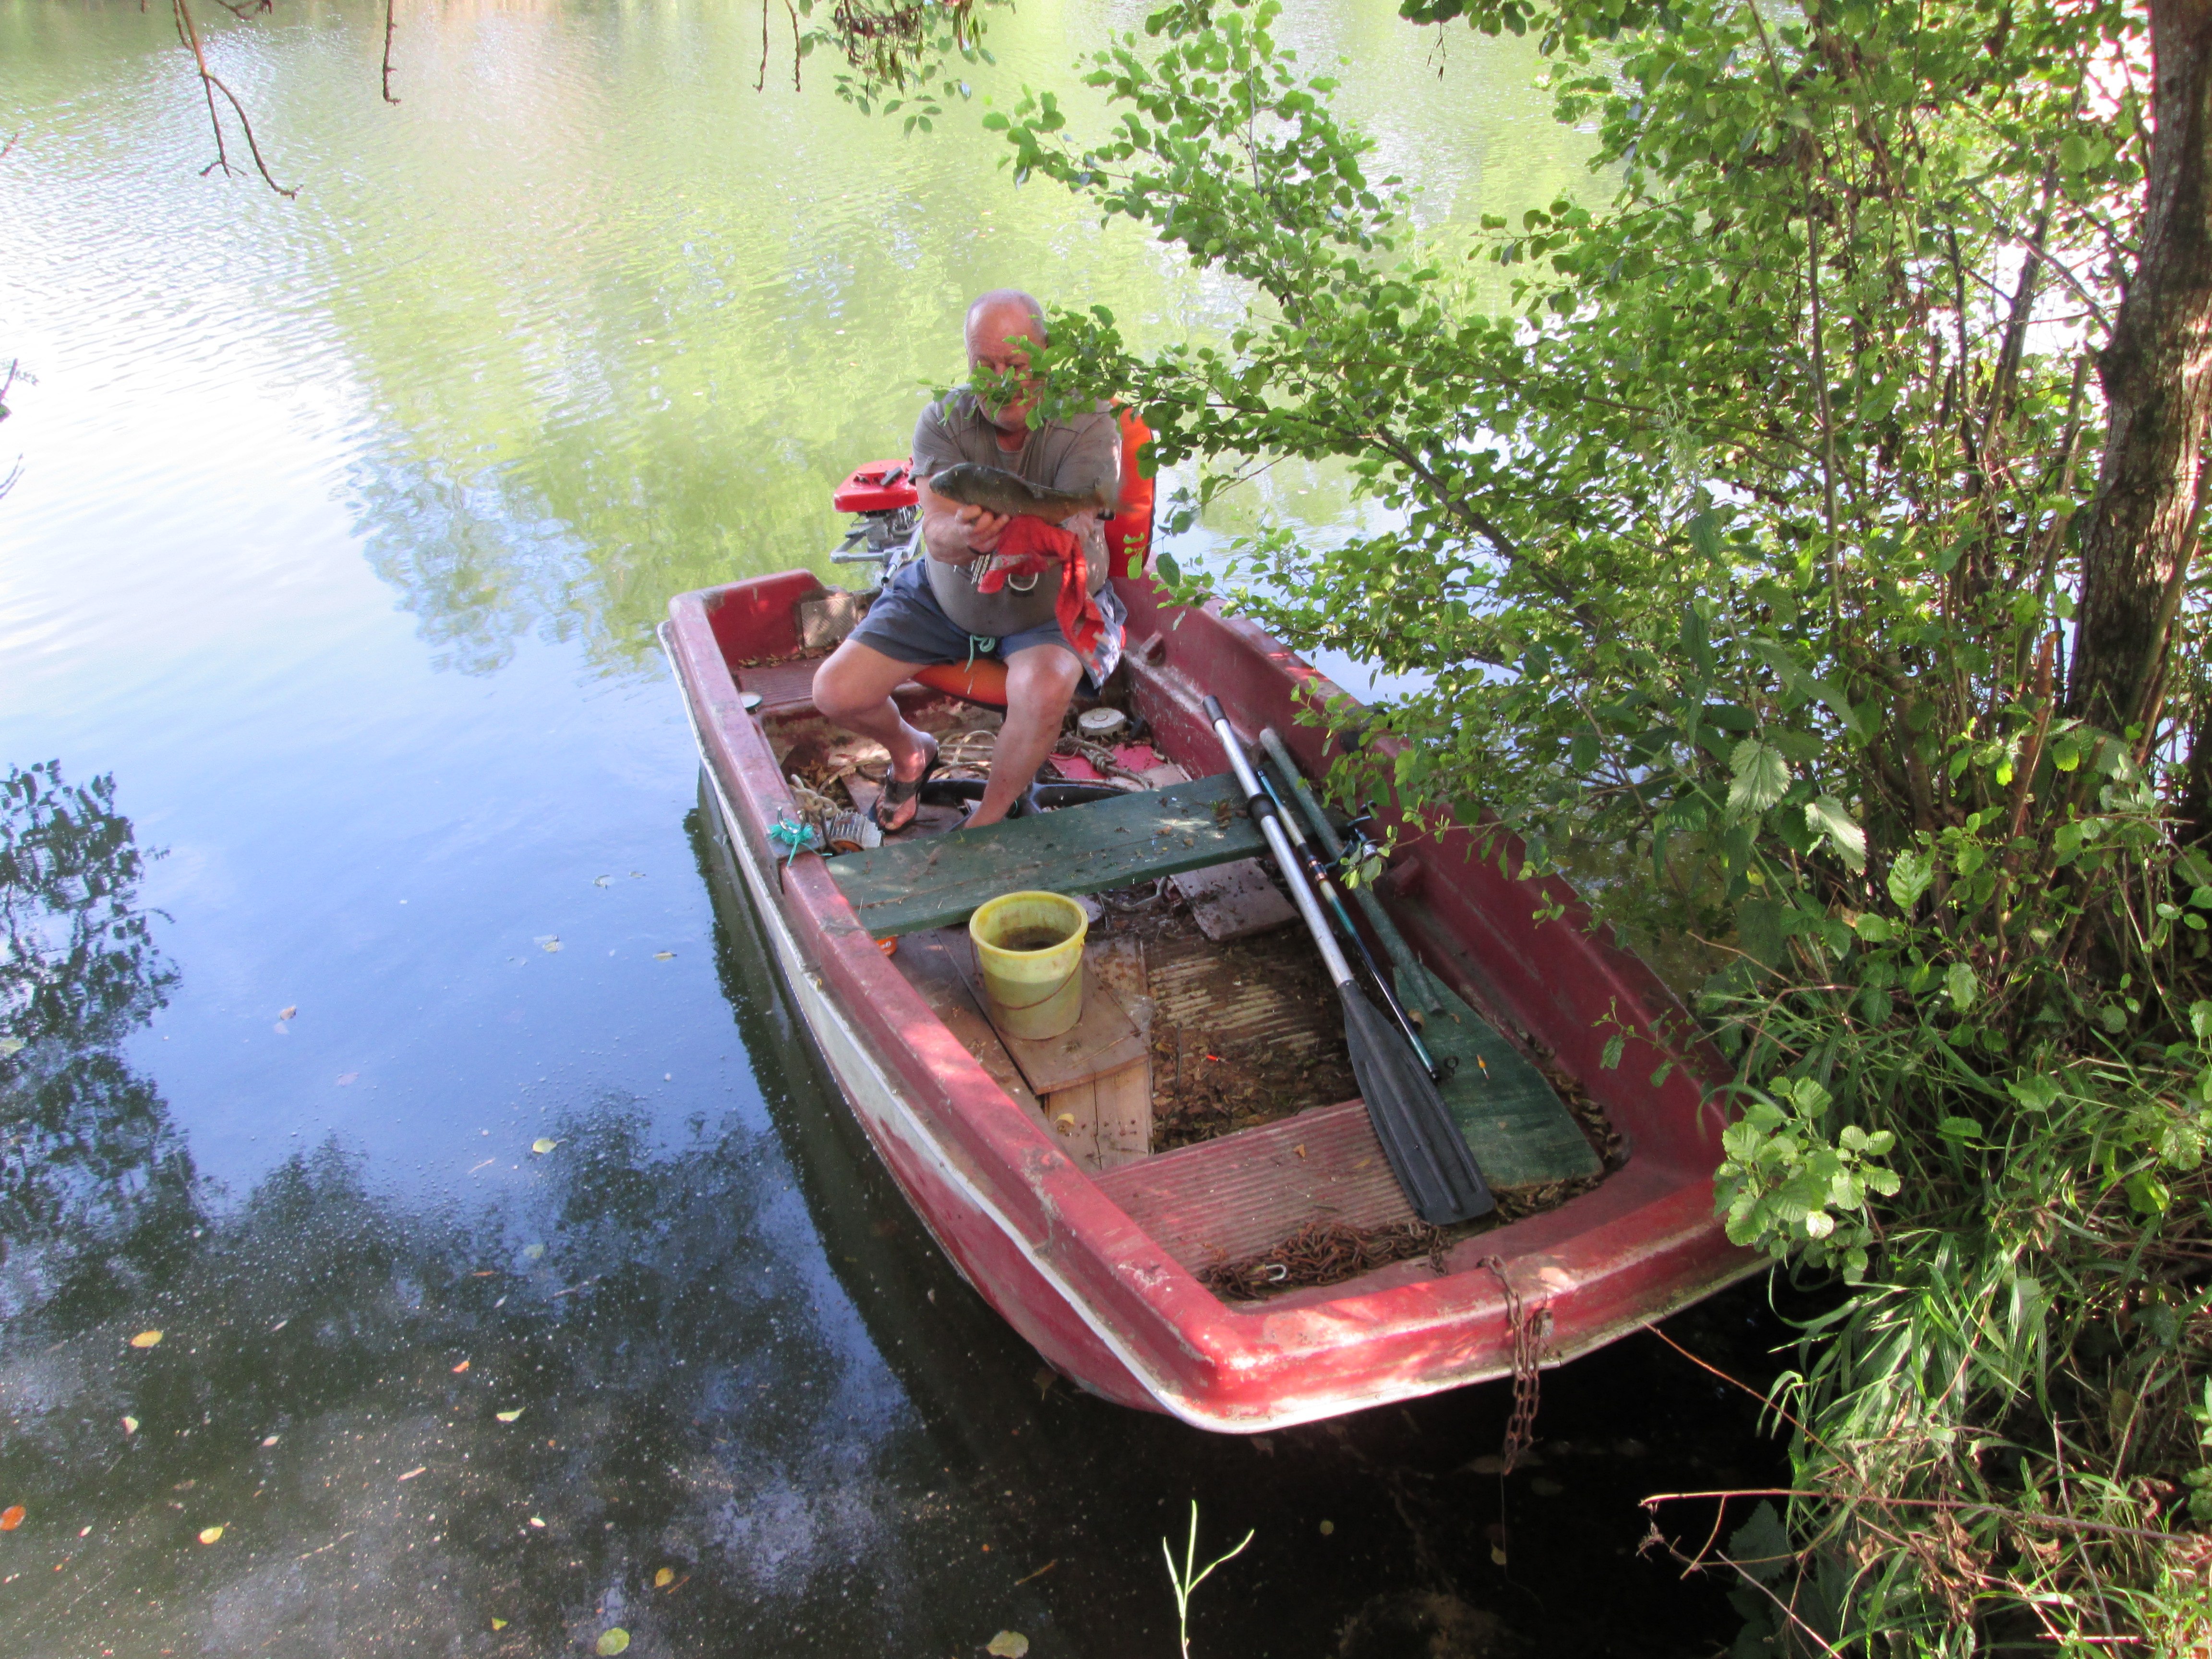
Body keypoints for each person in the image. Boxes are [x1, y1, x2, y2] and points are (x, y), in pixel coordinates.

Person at [811, 289, 1125, 830]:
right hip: (948, 592)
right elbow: (935, 529)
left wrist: (1043, 529)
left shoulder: (1089, 420)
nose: (1002, 380)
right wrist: (965, 534)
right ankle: (912, 752)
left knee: (1045, 687)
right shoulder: (942, 420)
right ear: (969, 363)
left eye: (1018, 364)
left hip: (1048, 607)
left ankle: (990, 817)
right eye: (987, 366)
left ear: (1046, 357)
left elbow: (1080, 517)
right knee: (835, 692)